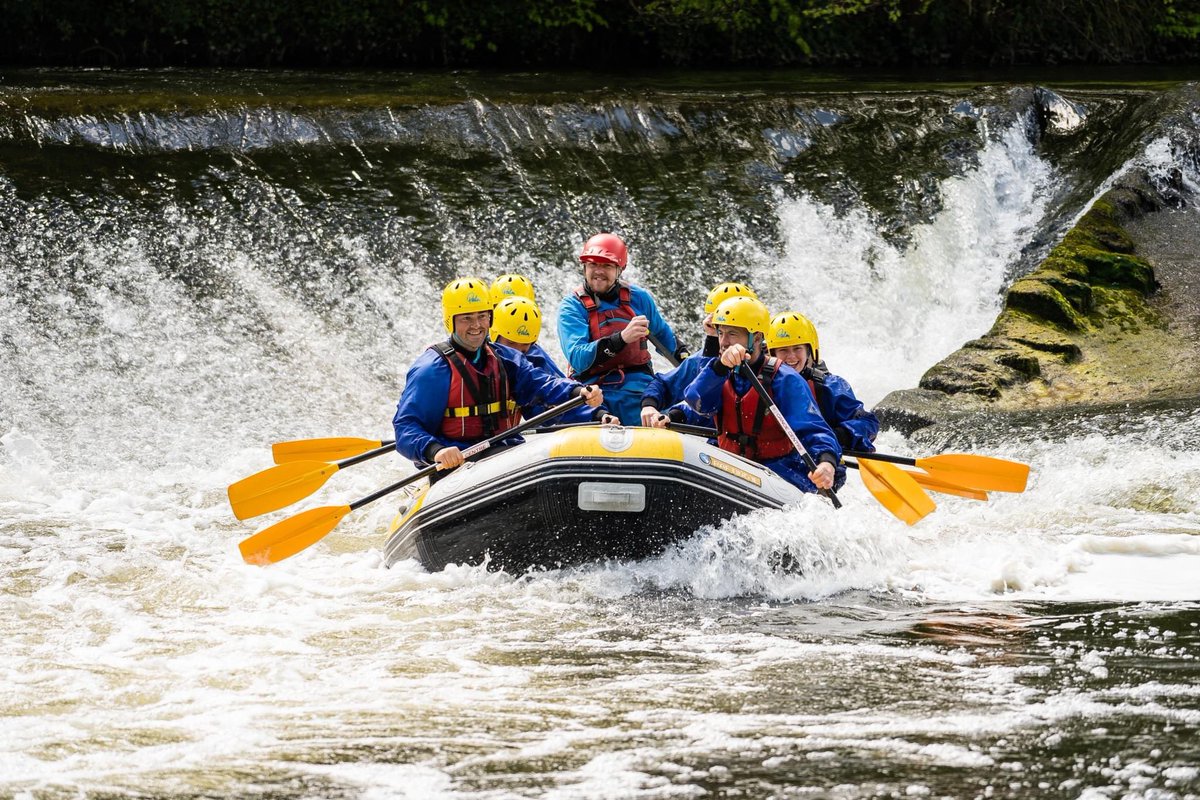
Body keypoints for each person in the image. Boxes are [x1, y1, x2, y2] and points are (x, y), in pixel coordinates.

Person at [393, 277, 604, 472]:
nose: (476, 325)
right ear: (451, 321)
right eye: (467, 318)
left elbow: (542, 385)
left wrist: (578, 392)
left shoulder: (505, 358)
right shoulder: (432, 369)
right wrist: (435, 450)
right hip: (456, 464)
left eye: (482, 316)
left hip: (504, 455)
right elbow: (406, 426)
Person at [683, 296, 843, 494]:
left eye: (732, 334)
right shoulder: (718, 371)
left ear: (756, 338)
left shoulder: (785, 379)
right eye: (721, 333)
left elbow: (813, 429)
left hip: (778, 473)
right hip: (729, 466)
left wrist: (826, 462)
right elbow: (696, 402)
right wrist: (718, 367)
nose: (723, 342)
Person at [557, 232, 689, 426]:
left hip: (639, 391)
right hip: (596, 394)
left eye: (607, 266)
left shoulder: (639, 298)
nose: (598, 271)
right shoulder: (572, 306)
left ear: (621, 269)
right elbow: (578, 358)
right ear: (584, 266)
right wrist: (621, 338)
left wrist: (691, 362)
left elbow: (667, 340)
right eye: (593, 264)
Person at [640, 281, 758, 428]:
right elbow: (666, 385)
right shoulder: (702, 357)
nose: (722, 334)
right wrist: (650, 405)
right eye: (719, 326)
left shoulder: (766, 360)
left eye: (732, 329)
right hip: (722, 441)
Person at [491, 295, 618, 425]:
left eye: (524, 346)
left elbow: (555, 390)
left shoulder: (534, 357)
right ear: (494, 335)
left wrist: (597, 414)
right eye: (511, 343)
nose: (517, 353)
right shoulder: (481, 354)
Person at [767, 311, 879, 453]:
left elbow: (868, 423)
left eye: (797, 348)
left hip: (820, 464)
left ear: (809, 351)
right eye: (783, 350)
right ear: (772, 354)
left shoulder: (830, 386)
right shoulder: (760, 382)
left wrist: (837, 436)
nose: (791, 356)